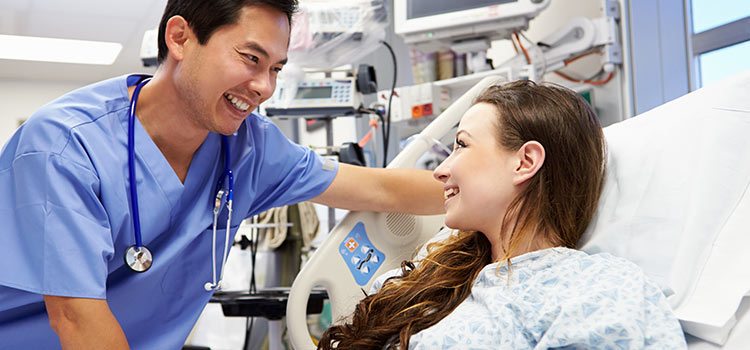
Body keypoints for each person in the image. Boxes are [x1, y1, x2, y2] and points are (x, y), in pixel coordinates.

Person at [0, 1, 444, 349]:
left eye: (275, 69)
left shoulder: (251, 147)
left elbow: (381, 188)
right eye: (251, 58)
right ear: (180, 38)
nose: (264, 87)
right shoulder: (64, 147)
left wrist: (502, 190)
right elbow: (76, 318)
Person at [318, 80, 687, 349]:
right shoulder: (431, 280)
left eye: (461, 145)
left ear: (525, 162)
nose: (441, 170)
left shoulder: (598, 290)